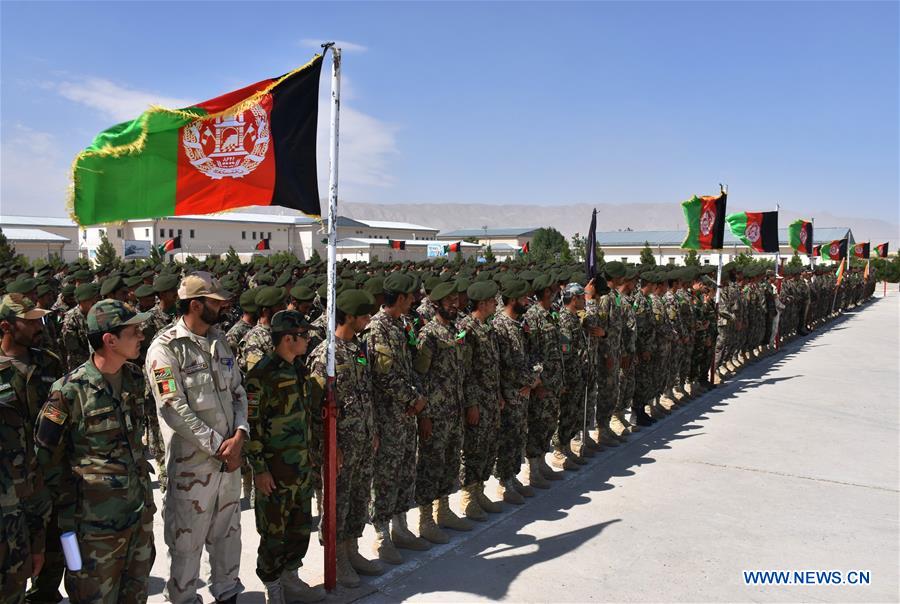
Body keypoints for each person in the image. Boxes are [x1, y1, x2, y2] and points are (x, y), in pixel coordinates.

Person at [34, 299, 155, 603]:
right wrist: (66, 522)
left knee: (136, 596)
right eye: (134, 331)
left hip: (138, 521)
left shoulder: (135, 378)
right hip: (90, 532)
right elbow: (46, 460)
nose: (141, 335)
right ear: (109, 340)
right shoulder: (69, 391)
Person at [145, 272, 247, 604]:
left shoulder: (221, 340)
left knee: (228, 538)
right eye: (216, 302)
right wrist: (219, 445)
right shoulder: (164, 349)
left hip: (228, 465)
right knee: (186, 547)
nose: (223, 307)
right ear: (195, 304)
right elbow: (173, 407)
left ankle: (227, 592)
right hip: (193, 469)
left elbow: (238, 391)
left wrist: (240, 433)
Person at [244, 311, 324, 604]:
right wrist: (260, 470)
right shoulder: (261, 376)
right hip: (275, 472)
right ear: (288, 339)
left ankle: (291, 577)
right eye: (303, 335)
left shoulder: (299, 369)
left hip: (300, 466)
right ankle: (273, 586)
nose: (308, 340)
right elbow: (251, 428)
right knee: (273, 533)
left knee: (300, 527)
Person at [367, 272, 429, 563]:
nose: (415, 300)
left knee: (405, 471)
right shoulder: (378, 328)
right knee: (386, 476)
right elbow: (385, 376)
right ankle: (382, 535)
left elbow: (409, 367)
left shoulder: (401, 324)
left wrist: (416, 398)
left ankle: (400, 526)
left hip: (405, 415)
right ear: (400, 297)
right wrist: (412, 399)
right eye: (411, 296)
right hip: (389, 416)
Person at [0, 294, 53, 604]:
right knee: (18, 572)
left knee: (68, 558)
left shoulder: (49, 362)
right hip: (14, 491)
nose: (39, 325)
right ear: (6, 326)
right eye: (30, 321)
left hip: (54, 485)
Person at [413, 281, 472, 543]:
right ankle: (426, 520)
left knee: (449, 462)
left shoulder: (455, 331)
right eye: (449, 302)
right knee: (431, 465)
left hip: (454, 409)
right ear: (436, 305)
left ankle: (444, 510)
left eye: (456, 300)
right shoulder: (429, 335)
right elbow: (420, 377)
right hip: (435, 414)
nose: (455, 305)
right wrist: (424, 415)